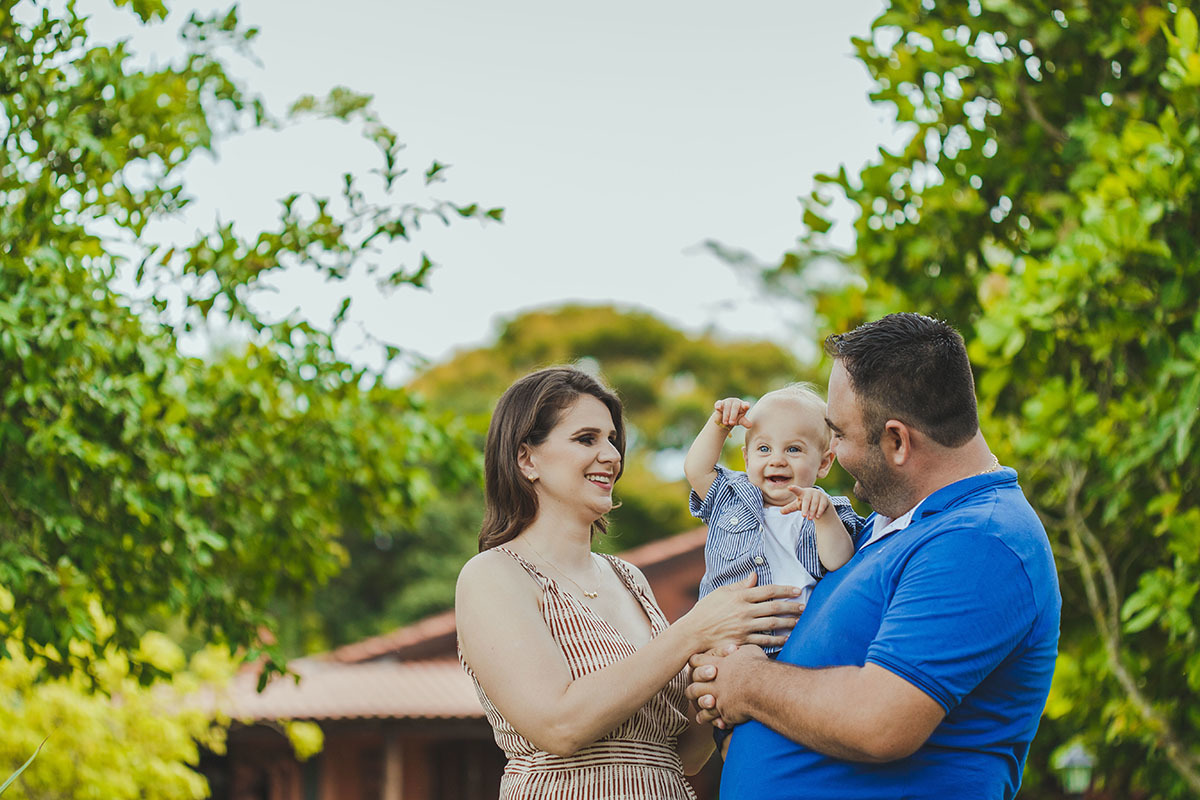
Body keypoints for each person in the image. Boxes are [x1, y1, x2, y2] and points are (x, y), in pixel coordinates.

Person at [686, 313, 1062, 800]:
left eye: (839, 435)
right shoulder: (888, 525)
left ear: (897, 441)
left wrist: (747, 683)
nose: (834, 454)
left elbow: (882, 722)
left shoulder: (981, 540)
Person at [456, 366, 807, 799]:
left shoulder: (629, 579)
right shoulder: (493, 574)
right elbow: (559, 726)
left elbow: (684, 753)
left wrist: (724, 667)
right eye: (586, 439)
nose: (611, 455)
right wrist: (695, 629)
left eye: (612, 439)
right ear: (527, 459)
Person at [684, 384, 867, 658]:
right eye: (764, 448)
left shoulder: (827, 510)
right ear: (747, 459)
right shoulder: (730, 496)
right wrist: (720, 424)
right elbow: (696, 470)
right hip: (726, 642)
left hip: (795, 647)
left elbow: (839, 561)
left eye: (793, 449)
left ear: (823, 464)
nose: (777, 460)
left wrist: (825, 517)